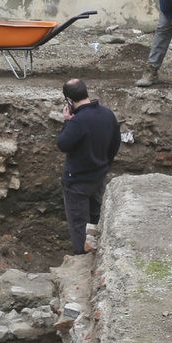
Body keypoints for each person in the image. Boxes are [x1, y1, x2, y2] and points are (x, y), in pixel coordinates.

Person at [56, 79, 121, 255]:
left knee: (79, 225)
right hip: (98, 177)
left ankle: (82, 258)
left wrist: (67, 121)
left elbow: (63, 144)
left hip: (77, 182)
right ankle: (96, 253)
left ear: (69, 101)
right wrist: (105, 164)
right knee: (94, 218)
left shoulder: (77, 122)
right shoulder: (107, 114)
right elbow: (115, 143)